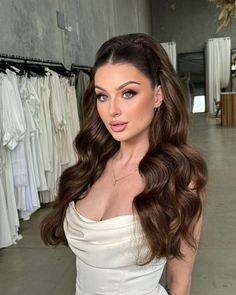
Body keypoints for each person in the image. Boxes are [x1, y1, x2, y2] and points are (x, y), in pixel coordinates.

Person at [41, 33, 207, 295]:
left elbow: (179, 282)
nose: (112, 110)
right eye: (102, 96)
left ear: (158, 95)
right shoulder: (90, 166)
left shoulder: (182, 179)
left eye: (127, 93)